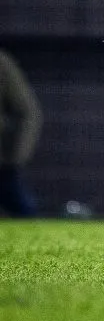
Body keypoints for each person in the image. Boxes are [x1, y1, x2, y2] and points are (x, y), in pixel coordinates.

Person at [0, 49, 42, 217]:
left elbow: (29, 112)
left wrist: (17, 156)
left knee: (24, 214)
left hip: (2, 166)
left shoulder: (2, 64)